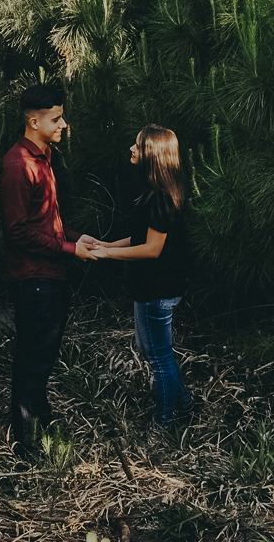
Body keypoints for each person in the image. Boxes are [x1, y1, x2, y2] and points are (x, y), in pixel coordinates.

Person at [0, 84, 98, 454]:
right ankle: (27, 449)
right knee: (32, 364)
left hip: (50, 277)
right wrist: (70, 249)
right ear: (34, 122)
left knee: (41, 362)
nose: (63, 124)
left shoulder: (44, 158)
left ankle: (41, 436)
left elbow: (45, 223)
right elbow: (18, 231)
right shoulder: (17, 165)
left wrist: (76, 237)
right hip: (34, 280)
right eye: (56, 119)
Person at [89, 125, 194, 430]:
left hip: (156, 291)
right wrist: (107, 245)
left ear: (152, 154)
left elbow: (151, 249)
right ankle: (184, 405)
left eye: (137, 145)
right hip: (154, 288)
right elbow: (140, 239)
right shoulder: (157, 194)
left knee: (159, 359)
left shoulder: (161, 198)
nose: (131, 149)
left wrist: (107, 255)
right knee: (156, 354)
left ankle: (165, 422)